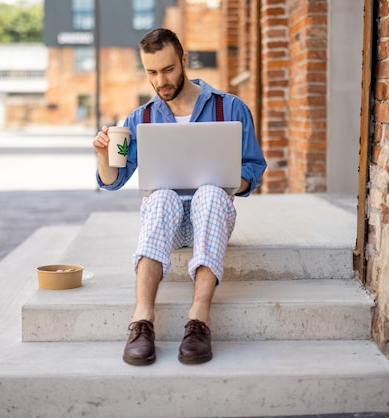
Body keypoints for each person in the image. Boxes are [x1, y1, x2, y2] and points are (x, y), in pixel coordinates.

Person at [92, 28, 267, 366]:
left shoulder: (230, 108)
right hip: (166, 222)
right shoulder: (138, 119)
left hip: (211, 214)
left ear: (184, 61)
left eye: (168, 69)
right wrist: (102, 154)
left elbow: (254, 168)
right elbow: (113, 180)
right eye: (152, 72)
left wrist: (233, 182)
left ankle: (199, 320)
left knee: (212, 194)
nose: (161, 80)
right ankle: (142, 322)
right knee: (160, 197)